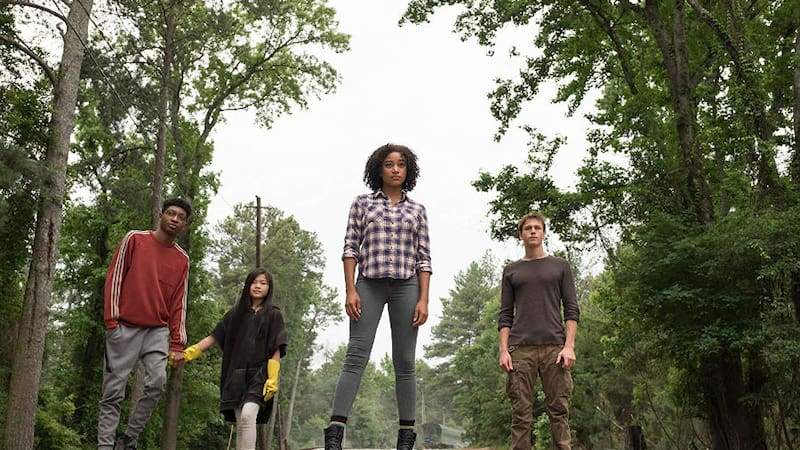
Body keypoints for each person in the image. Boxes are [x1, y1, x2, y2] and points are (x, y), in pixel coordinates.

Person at [323, 143, 432, 450]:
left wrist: (423, 299)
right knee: (356, 354)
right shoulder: (362, 204)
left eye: (401, 164)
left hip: (406, 286)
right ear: (378, 170)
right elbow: (350, 248)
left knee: (405, 361)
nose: (395, 169)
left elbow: (424, 258)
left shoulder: (417, 210)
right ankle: (335, 433)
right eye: (389, 164)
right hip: (369, 285)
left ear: (408, 170)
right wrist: (350, 289)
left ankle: (406, 438)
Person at [98, 198, 192, 450]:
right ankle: (105, 446)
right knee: (113, 392)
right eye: (171, 213)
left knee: (157, 382)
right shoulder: (135, 240)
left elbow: (179, 302)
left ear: (184, 225)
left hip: (156, 331)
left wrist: (177, 343)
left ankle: (129, 439)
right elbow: (115, 277)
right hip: (123, 327)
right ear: (161, 216)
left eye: (181, 217)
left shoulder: (182, 260)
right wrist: (112, 321)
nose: (175, 219)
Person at [498, 213, 580, 450]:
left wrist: (569, 346)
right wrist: (504, 351)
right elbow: (505, 314)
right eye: (528, 228)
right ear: (521, 234)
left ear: (544, 233)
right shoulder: (511, 271)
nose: (533, 231)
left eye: (537, 227)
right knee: (521, 415)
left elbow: (572, 309)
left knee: (559, 412)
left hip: (555, 348)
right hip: (520, 350)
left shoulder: (560, 266)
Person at [183, 268, 287, 450]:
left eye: (263, 283)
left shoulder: (273, 314)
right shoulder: (235, 314)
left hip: (260, 375)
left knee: (248, 415)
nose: (258, 286)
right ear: (247, 285)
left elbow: (276, 346)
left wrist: (272, 378)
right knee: (241, 423)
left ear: (269, 288)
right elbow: (214, 337)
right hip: (236, 375)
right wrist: (189, 353)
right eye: (254, 282)